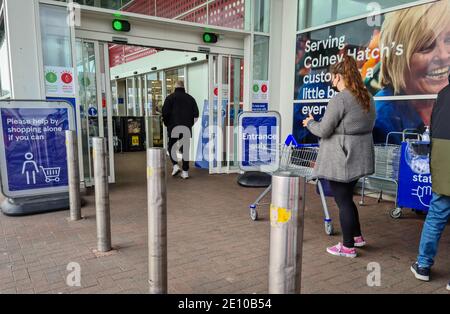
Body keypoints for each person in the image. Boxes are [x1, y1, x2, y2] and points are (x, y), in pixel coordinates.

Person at [302, 55, 376, 258]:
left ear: (338, 77)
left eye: (331, 77)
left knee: (342, 202)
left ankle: (347, 246)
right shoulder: (367, 96)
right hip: (358, 156)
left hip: (341, 158)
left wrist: (310, 123)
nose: (330, 81)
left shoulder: (341, 98)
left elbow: (324, 130)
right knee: (347, 199)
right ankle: (358, 237)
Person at [374, 1, 450, 143]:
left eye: (449, 40)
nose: (444, 55)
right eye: (426, 46)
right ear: (398, 60)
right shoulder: (383, 120)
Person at [411, 74, 450, 292]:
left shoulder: (442, 95)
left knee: (436, 216)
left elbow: (432, 131)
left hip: (443, 165)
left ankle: (423, 265)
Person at [162, 81, 199, 179]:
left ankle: (175, 165)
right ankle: (185, 172)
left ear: (175, 87)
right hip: (186, 127)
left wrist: (167, 123)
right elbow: (196, 115)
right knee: (185, 149)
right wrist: (189, 124)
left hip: (173, 127)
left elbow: (165, 113)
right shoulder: (191, 99)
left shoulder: (169, 98)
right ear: (183, 87)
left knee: (171, 146)